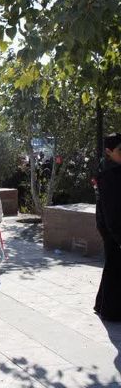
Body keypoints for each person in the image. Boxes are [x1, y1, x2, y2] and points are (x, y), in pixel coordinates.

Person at [94, 133, 121, 321]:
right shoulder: (109, 173)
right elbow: (111, 207)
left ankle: (102, 304)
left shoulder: (112, 170)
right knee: (114, 265)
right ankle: (110, 311)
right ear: (108, 152)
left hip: (111, 224)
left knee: (113, 264)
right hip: (113, 225)